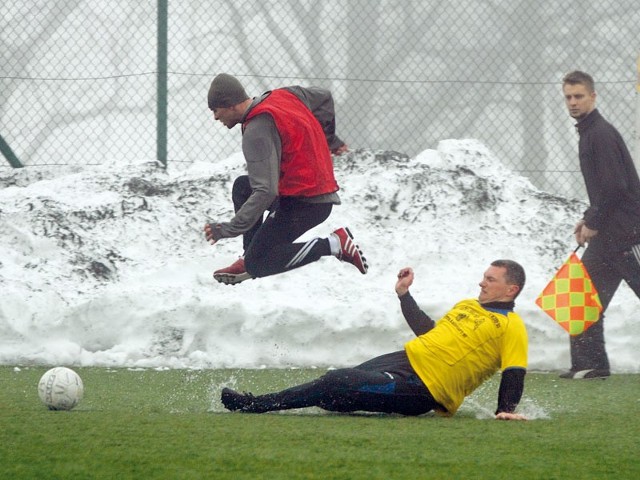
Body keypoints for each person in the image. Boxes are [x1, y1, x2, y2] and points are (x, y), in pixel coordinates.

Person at [221, 260, 528, 420]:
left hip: (424, 388)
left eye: (491, 279)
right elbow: (429, 332)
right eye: (484, 276)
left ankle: (254, 404)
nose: (481, 282)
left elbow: (514, 371)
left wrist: (506, 409)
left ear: (510, 289)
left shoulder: (511, 326)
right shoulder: (467, 305)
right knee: (333, 393)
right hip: (402, 360)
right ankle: (285, 400)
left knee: (337, 383)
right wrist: (404, 295)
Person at [204, 73, 366, 285]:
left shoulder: (256, 132)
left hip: (307, 204)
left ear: (230, 105)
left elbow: (265, 192)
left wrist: (229, 229)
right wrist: (330, 138)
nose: (215, 117)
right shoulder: (286, 95)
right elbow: (324, 97)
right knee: (242, 187)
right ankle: (249, 256)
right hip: (307, 191)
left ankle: (333, 244)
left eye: (216, 110)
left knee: (259, 264)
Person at [560, 71, 640, 379]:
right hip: (607, 236)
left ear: (593, 96)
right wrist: (589, 218)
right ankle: (590, 365)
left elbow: (616, 187)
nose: (573, 102)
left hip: (628, 234)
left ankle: (590, 363)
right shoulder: (589, 132)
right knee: (577, 296)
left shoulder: (601, 133)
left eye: (579, 96)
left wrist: (594, 221)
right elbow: (604, 189)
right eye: (568, 97)